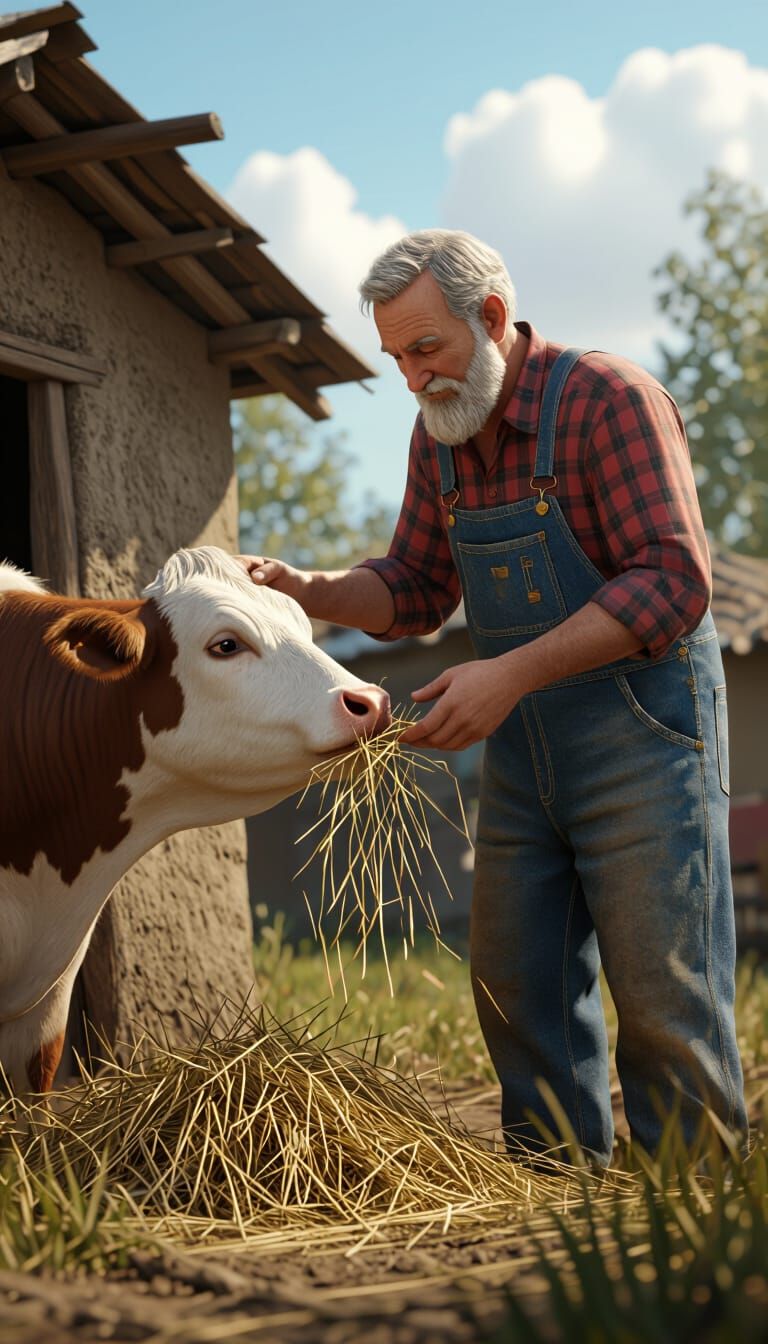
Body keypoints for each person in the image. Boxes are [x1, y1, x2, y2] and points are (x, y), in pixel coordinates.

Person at [243, 229, 747, 1166]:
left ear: (492, 316)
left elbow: (675, 581)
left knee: (665, 999)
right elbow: (415, 587)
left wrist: (508, 673)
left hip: (646, 737)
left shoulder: (610, 400)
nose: (413, 378)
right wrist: (307, 589)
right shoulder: (439, 432)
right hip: (526, 749)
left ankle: (698, 1217)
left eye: (425, 348)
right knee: (519, 989)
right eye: (397, 358)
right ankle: (558, 1206)